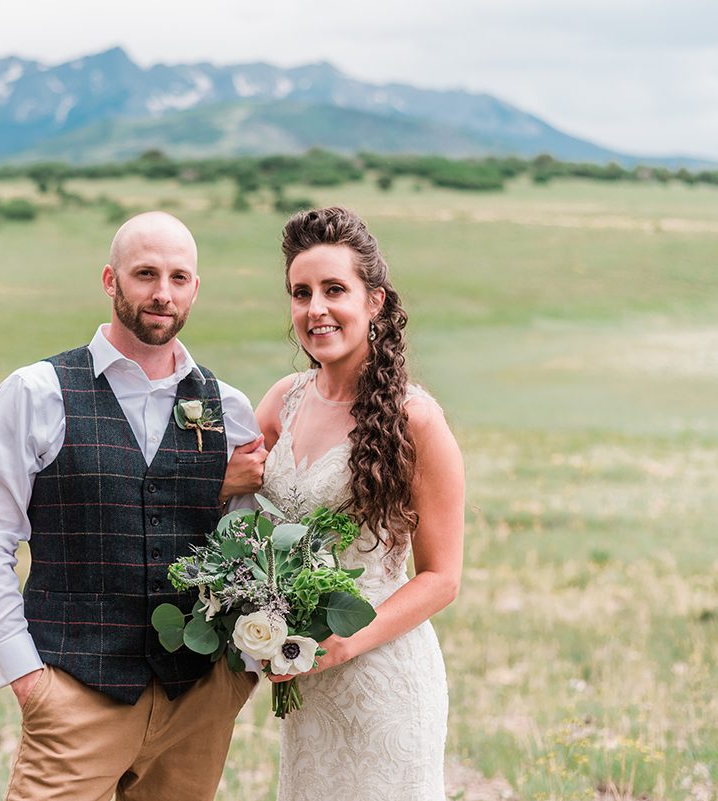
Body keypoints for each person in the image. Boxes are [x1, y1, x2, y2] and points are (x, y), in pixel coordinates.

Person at [0, 211, 266, 801]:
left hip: (194, 700)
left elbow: (246, 550)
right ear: (110, 280)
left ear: (195, 288)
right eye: (145, 273)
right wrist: (26, 676)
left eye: (179, 277)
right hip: (75, 691)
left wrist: (239, 673)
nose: (162, 293)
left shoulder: (229, 406)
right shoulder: (36, 391)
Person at [255, 207, 465, 801]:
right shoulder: (283, 401)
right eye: (301, 293)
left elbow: (442, 578)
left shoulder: (415, 419)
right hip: (303, 675)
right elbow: (235, 502)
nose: (315, 308)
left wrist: (346, 643)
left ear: (374, 301)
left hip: (381, 674)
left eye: (334, 290)